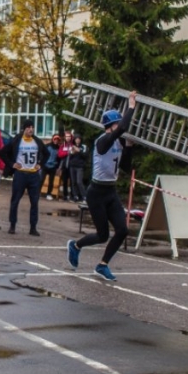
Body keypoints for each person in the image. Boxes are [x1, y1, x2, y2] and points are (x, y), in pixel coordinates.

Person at [67, 91, 137, 281]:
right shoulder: (102, 141)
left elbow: (125, 166)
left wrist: (129, 147)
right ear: (110, 126)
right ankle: (75, 246)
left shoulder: (119, 143)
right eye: (117, 124)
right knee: (102, 235)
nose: (121, 127)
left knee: (122, 230)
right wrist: (131, 106)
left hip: (110, 191)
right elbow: (122, 128)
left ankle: (102, 264)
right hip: (96, 192)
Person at [0, 119, 49, 236]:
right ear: (24, 129)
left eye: (32, 127)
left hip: (33, 175)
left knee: (34, 202)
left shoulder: (37, 141)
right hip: (20, 174)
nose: (31, 129)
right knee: (15, 201)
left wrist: (40, 164)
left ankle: (33, 227)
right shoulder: (17, 140)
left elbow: (47, 154)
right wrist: (12, 164)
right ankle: (12, 225)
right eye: (28, 127)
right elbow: (2, 152)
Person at [68, 133, 88, 203]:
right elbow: (69, 155)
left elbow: (85, 155)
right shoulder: (72, 146)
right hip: (72, 166)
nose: (77, 140)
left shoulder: (84, 146)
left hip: (80, 166)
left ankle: (84, 197)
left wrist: (78, 150)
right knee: (73, 182)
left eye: (79, 139)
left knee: (79, 181)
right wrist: (72, 152)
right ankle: (75, 196)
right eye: (76, 139)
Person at [41, 134, 61, 201]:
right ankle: (37, 192)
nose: (56, 141)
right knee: (41, 179)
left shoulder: (59, 148)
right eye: (55, 139)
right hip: (45, 165)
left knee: (51, 181)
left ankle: (49, 194)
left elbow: (59, 158)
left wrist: (58, 167)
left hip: (53, 167)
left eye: (57, 140)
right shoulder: (47, 146)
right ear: (53, 139)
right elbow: (42, 154)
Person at [57, 131, 74, 201]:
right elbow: (60, 154)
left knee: (72, 181)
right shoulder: (62, 145)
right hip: (64, 166)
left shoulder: (73, 145)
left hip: (71, 165)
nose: (68, 138)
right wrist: (67, 152)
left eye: (69, 136)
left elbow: (74, 153)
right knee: (64, 181)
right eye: (66, 136)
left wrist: (70, 152)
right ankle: (65, 195)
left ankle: (73, 195)